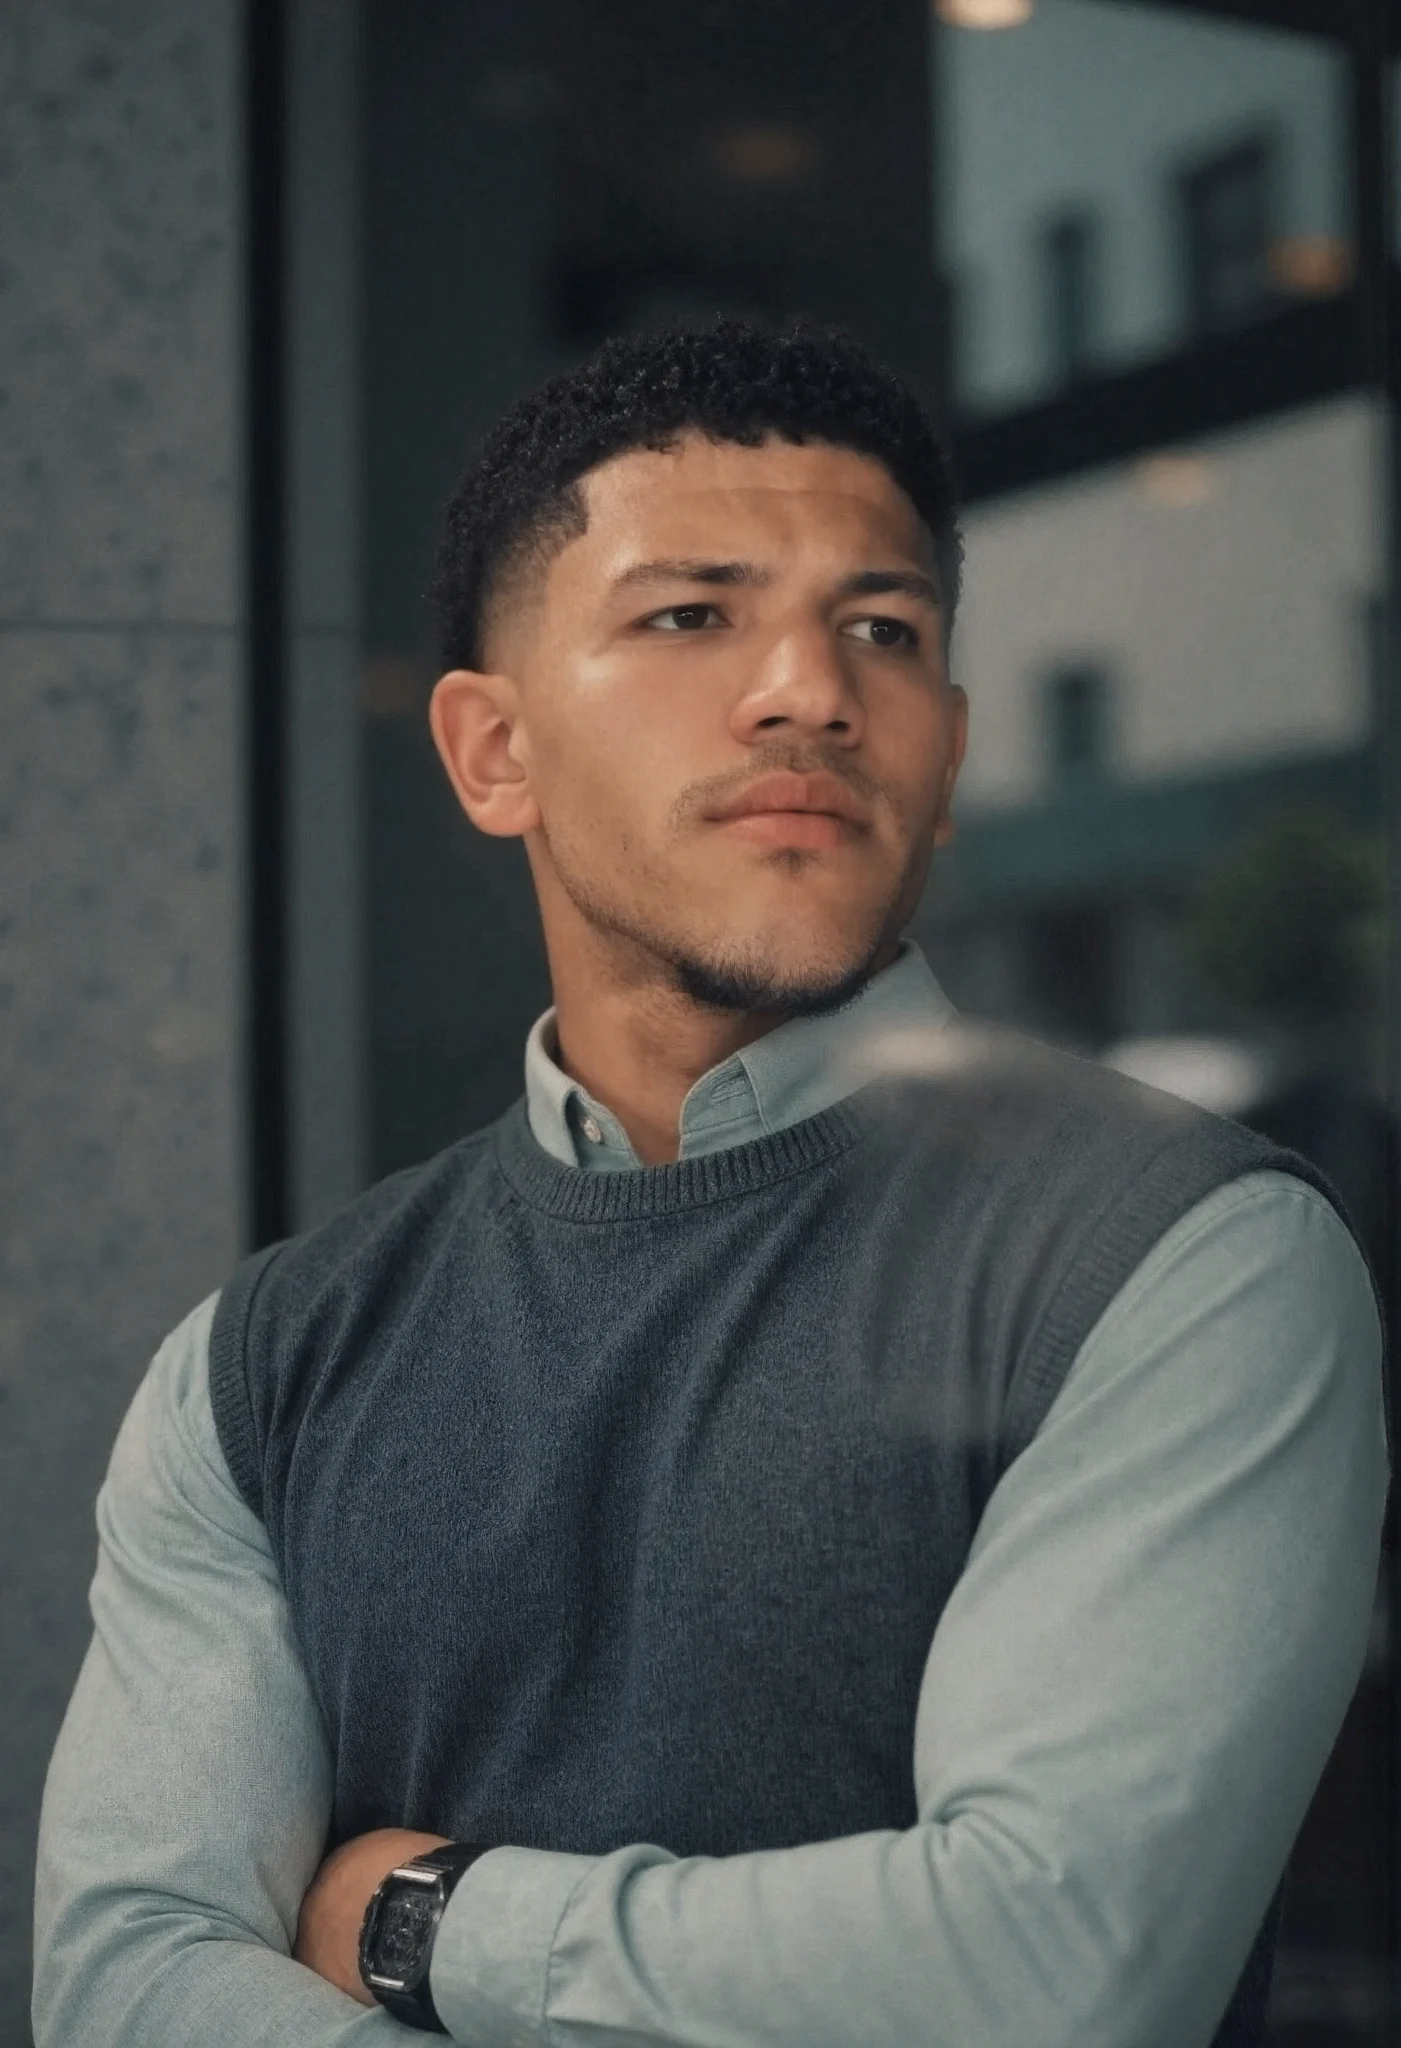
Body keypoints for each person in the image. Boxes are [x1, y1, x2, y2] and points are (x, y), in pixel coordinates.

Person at [33, 322, 1386, 2048]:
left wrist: (430, 1920)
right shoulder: (266, 1361)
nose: (813, 689)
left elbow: (1056, 1976)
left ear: (950, 752)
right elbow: (121, 1980)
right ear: (490, 752)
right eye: (691, 615)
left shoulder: (1179, 1255)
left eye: (882, 630)